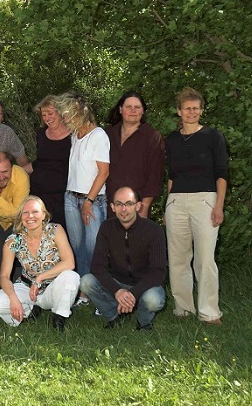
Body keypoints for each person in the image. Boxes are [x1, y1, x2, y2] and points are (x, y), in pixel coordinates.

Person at [165, 87, 228, 326]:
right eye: (187, 108)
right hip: (176, 202)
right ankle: (183, 309)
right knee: (178, 258)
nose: (191, 112)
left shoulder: (213, 136)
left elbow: (221, 173)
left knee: (205, 259)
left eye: (195, 108)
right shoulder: (171, 140)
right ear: (179, 111)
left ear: (201, 110)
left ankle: (209, 312)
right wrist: (168, 205)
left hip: (205, 201)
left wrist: (218, 205)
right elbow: (171, 175)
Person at [0, 196, 80, 331]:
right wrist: (13, 298)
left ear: (43, 215)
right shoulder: (13, 241)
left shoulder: (55, 230)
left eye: (35, 212)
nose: (30, 216)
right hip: (27, 287)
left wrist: (40, 278)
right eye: (25, 212)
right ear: (20, 217)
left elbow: (69, 263)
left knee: (71, 277)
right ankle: (28, 311)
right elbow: (4, 276)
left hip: (53, 288)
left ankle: (59, 317)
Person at [80, 187, 167, 330]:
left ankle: (143, 322)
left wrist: (133, 294)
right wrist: (117, 291)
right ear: (112, 207)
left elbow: (158, 271)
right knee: (86, 282)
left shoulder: (154, 230)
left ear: (138, 206)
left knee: (153, 300)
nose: (124, 209)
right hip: (117, 281)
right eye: (119, 204)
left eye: (129, 203)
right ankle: (114, 316)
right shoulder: (106, 228)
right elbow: (97, 266)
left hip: (144, 285)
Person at [55, 91, 110, 307]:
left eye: (67, 114)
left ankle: (100, 295)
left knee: (93, 249)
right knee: (77, 248)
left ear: (81, 112)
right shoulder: (74, 136)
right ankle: (83, 294)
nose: (65, 119)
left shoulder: (99, 135)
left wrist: (89, 200)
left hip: (93, 200)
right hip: (71, 197)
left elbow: (103, 172)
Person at [105, 91, 165, 218]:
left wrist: (144, 206)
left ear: (143, 111)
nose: (133, 110)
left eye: (137, 107)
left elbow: (155, 175)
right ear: (120, 109)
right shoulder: (107, 134)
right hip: (108, 204)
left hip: (136, 206)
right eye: (128, 107)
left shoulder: (152, 137)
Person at [25, 95, 71, 229]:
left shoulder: (74, 135)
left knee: (60, 233)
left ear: (61, 112)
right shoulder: (41, 134)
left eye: (50, 113)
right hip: (38, 193)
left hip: (62, 196)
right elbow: (40, 162)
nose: (47, 118)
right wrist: (16, 171)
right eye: (44, 115)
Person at [0, 151, 30, 272]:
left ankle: (22, 277)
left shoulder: (21, 176)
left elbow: (17, 213)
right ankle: (5, 279)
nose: (1, 176)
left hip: (20, 222)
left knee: (24, 250)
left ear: (12, 168)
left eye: (5, 171)